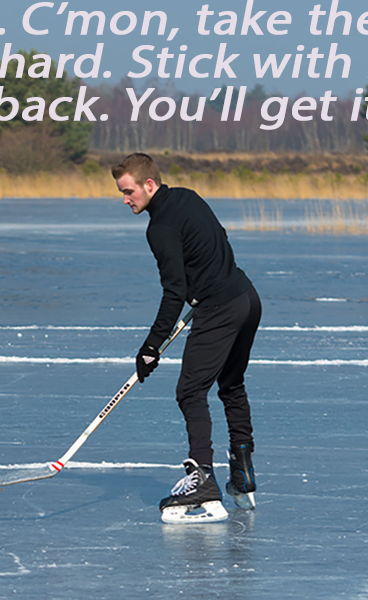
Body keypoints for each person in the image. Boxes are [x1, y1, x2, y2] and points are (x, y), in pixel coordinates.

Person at [111, 153, 260, 524]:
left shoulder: (158, 228)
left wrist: (150, 347)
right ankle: (241, 473)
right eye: (121, 193)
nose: (125, 199)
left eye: (128, 191)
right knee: (231, 385)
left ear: (148, 184)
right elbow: (218, 241)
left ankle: (203, 480)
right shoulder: (188, 196)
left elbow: (173, 291)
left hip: (220, 308)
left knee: (190, 391)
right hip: (247, 298)